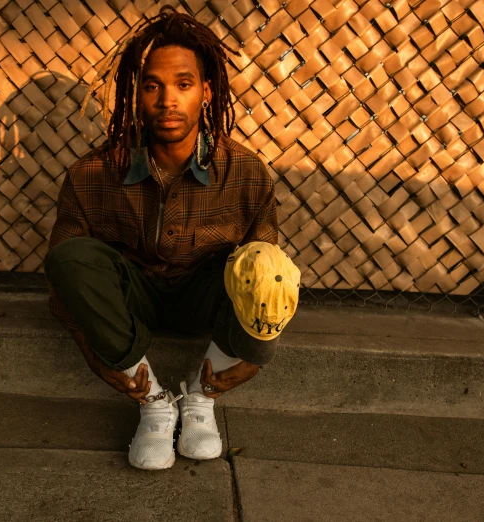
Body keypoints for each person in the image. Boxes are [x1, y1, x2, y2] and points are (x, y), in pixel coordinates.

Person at [44, 6, 299, 470]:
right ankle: (154, 402)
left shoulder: (245, 172)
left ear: (205, 92)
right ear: (136, 94)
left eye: (183, 85)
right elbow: (66, 285)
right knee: (70, 257)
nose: (167, 100)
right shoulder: (92, 174)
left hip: (206, 299)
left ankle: (201, 398)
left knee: (263, 259)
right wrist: (94, 355)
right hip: (135, 302)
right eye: (152, 85)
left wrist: (257, 356)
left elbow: (270, 279)